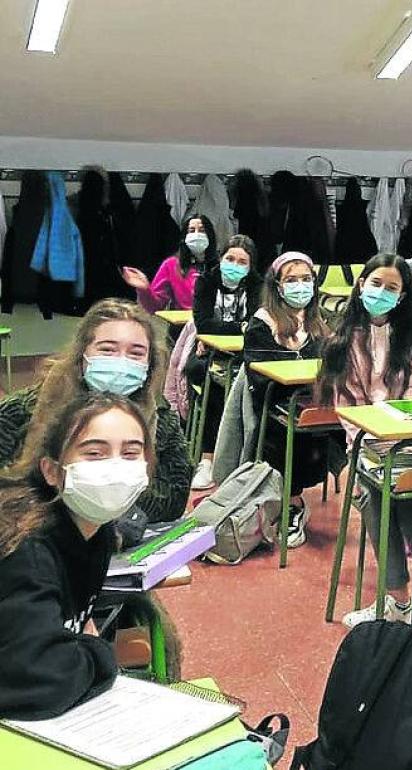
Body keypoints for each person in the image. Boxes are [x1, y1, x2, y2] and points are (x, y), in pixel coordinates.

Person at [0, 393, 152, 719]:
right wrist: (102, 654)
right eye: (94, 453)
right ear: (52, 471)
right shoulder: (28, 551)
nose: (115, 468)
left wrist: (80, 650)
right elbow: (43, 685)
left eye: (130, 453)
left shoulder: (98, 532)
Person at [315, 254, 412, 628]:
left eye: (392, 288)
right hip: (367, 445)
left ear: (402, 296)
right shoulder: (342, 343)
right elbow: (348, 407)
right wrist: (369, 444)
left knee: (409, 494)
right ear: (361, 285)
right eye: (376, 284)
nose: (382, 293)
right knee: (373, 491)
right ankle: (401, 600)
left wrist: (401, 434)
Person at [0, 299, 189, 537]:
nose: (121, 362)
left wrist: (118, 503)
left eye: (136, 353)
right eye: (107, 350)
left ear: (149, 365)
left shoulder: (162, 421)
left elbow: (174, 499)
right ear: (82, 356)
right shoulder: (21, 410)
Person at [243, 251, 332, 549]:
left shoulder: (318, 322)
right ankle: (290, 502)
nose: (300, 286)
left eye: (306, 279)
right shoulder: (262, 323)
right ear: (277, 286)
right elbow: (261, 378)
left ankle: (302, 499)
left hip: (315, 403)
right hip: (276, 404)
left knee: (337, 424)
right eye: (291, 280)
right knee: (285, 431)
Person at [187, 234, 264, 489]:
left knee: (249, 387)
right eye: (230, 259)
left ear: (250, 267)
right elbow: (203, 324)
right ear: (220, 259)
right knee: (215, 384)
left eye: (242, 262)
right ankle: (208, 459)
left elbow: (256, 326)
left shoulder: (257, 285)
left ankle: (246, 461)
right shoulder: (206, 282)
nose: (234, 265)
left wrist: (238, 328)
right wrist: (240, 327)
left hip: (243, 355)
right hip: (208, 354)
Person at [122, 215, 217, 312]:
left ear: (210, 235)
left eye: (202, 230)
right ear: (184, 237)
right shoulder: (171, 265)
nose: (197, 235)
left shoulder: (220, 265)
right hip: (183, 320)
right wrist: (144, 289)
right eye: (192, 231)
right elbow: (154, 307)